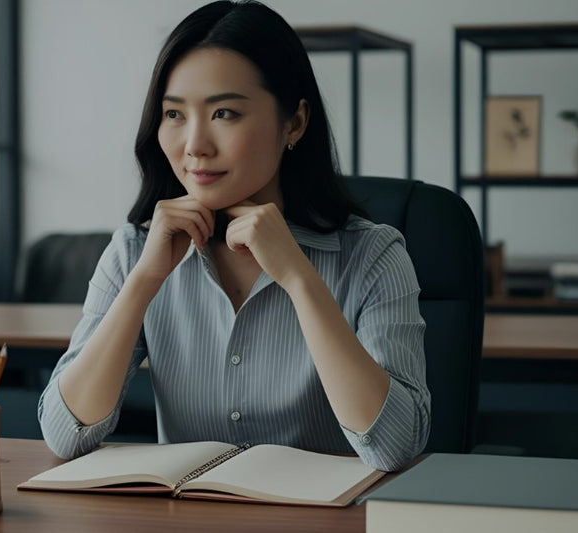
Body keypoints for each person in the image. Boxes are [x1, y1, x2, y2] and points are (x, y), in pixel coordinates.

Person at [36, 0, 428, 472]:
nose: (195, 145)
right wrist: (143, 282)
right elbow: (64, 435)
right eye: (174, 114)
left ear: (295, 123)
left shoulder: (374, 255)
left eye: (224, 113)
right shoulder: (134, 252)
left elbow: (394, 447)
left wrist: (299, 279)